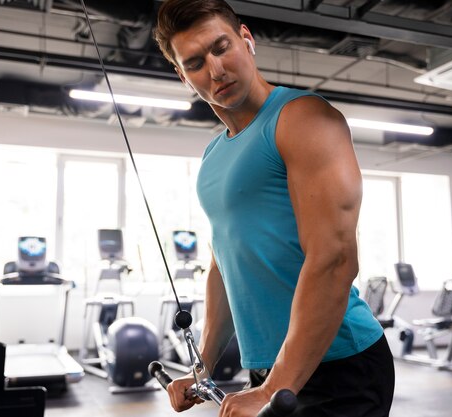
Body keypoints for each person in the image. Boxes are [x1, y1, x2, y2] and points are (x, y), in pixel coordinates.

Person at [153, 1, 395, 416]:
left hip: (339, 368)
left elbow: (334, 259)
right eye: (194, 63)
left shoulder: (303, 118)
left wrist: (274, 388)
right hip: (273, 371)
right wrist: (203, 365)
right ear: (182, 76)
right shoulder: (214, 154)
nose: (215, 70)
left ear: (247, 40)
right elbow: (224, 263)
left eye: (221, 47)